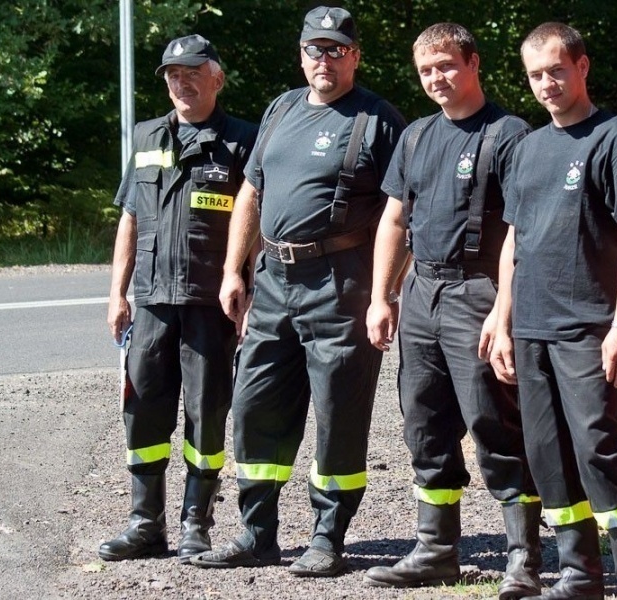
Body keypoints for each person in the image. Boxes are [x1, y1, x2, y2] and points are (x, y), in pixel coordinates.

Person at [189, 6, 405, 577]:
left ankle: (327, 536)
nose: (324, 60)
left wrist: (385, 291)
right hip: (273, 284)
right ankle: (257, 533)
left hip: (341, 285)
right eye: (316, 49)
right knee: (256, 406)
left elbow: (399, 216)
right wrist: (236, 269)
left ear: (354, 56)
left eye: (337, 50)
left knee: (338, 410)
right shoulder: (282, 108)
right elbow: (252, 192)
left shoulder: (380, 121)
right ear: (301, 53)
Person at [363, 23, 541, 599]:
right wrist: (380, 296)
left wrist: (503, 314)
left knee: (496, 423)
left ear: (472, 63)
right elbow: (394, 220)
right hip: (421, 296)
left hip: (480, 295)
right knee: (424, 423)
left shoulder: (510, 135)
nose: (437, 78)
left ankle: (524, 557)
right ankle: (436, 550)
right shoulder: (414, 137)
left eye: (446, 65)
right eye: (426, 71)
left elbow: (521, 230)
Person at [490, 22, 617, 600]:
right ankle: (578, 573)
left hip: (588, 325)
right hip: (530, 325)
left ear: (582, 67)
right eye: (536, 75)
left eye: (556, 70)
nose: (546, 84)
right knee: (546, 453)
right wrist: (501, 319)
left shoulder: (613, 135)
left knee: (595, 446)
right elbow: (514, 239)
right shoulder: (529, 148)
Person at [99, 35, 258, 563]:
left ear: (217, 77)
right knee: (142, 412)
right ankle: (146, 524)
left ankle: (197, 523)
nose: (181, 82)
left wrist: (242, 280)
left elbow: (253, 220)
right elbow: (130, 217)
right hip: (149, 302)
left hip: (209, 303)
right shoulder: (147, 136)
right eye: (172, 74)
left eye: (192, 72)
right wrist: (116, 293)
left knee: (206, 413)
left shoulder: (241, 141)